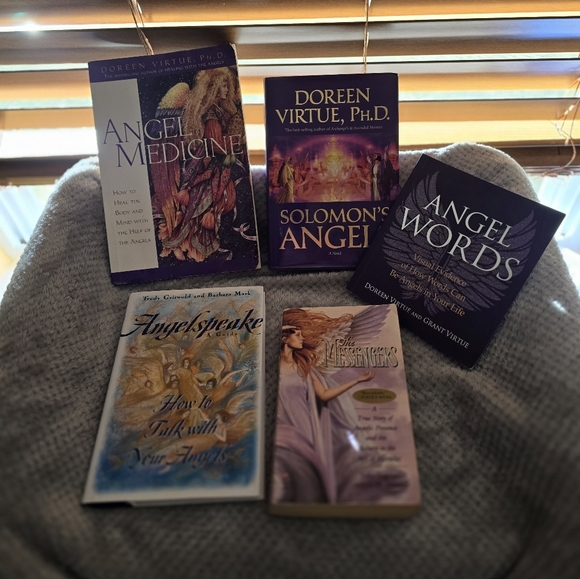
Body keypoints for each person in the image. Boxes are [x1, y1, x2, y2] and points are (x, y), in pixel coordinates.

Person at [272, 308, 374, 503]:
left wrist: (357, 381)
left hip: (305, 428)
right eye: (297, 335)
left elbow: (324, 395)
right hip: (282, 428)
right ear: (285, 338)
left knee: (309, 472)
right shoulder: (273, 367)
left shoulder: (304, 368)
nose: (302, 338)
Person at [150, 66, 245, 262]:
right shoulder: (212, 115)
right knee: (195, 210)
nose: (227, 90)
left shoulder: (221, 110)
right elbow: (216, 144)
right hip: (205, 168)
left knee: (201, 211)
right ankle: (177, 244)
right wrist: (237, 140)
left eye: (227, 86)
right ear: (213, 88)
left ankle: (187, 247)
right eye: (223, 86)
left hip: (213, 167)